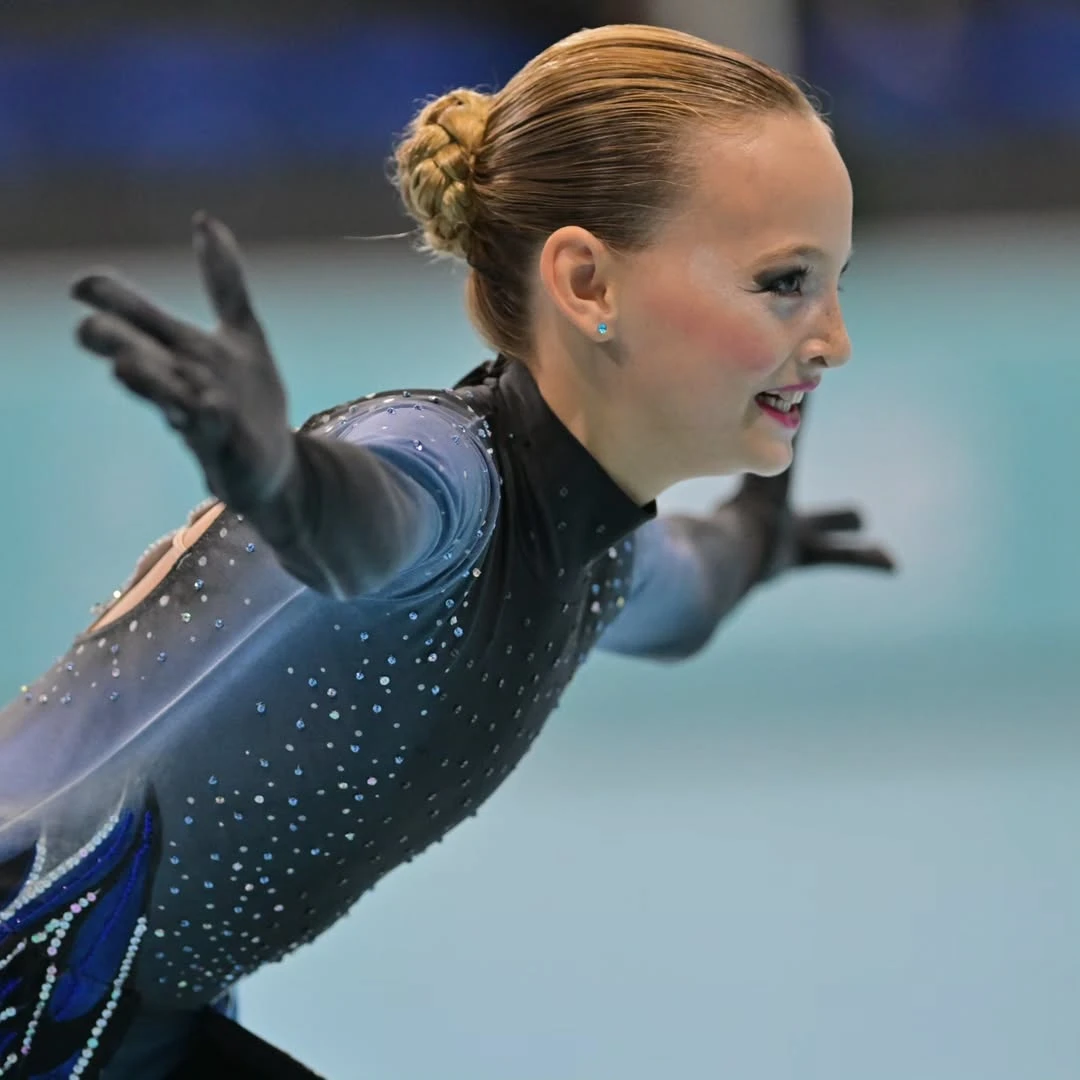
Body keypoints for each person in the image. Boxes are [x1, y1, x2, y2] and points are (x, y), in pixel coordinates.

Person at [0, 22, 896, 1080]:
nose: (835, 337)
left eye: (835, 281)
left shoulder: (591, 554)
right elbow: (362, 528)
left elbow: (684, 596)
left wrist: (752, 539)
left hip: (108, 1034)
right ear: (589, 284)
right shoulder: (448, 467)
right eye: (785, 281)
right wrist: (282, 483)